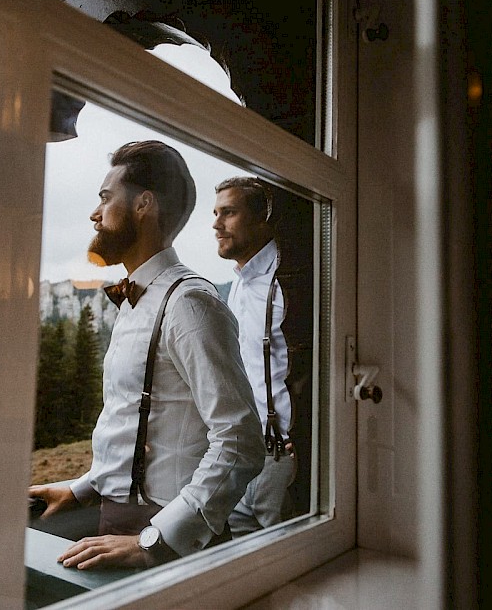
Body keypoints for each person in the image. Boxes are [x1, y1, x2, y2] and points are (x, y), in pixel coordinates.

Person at [29, 140, 265, 570]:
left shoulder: (191, 303)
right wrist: (83, 488)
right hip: (115, 519)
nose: (94, 213)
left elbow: (241, 440)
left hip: (167, 539)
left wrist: (154, 542)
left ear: (143, 204)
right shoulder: (137, 298)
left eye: (105, 197)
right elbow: (132, 422)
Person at [212, 176, 296, 536]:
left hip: (281, 455)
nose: (216, 224)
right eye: (215, 213)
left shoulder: (290, 280)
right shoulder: (239, 285)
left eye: (228, 212)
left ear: (263, 217)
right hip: (244, 452)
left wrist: (304, 439)